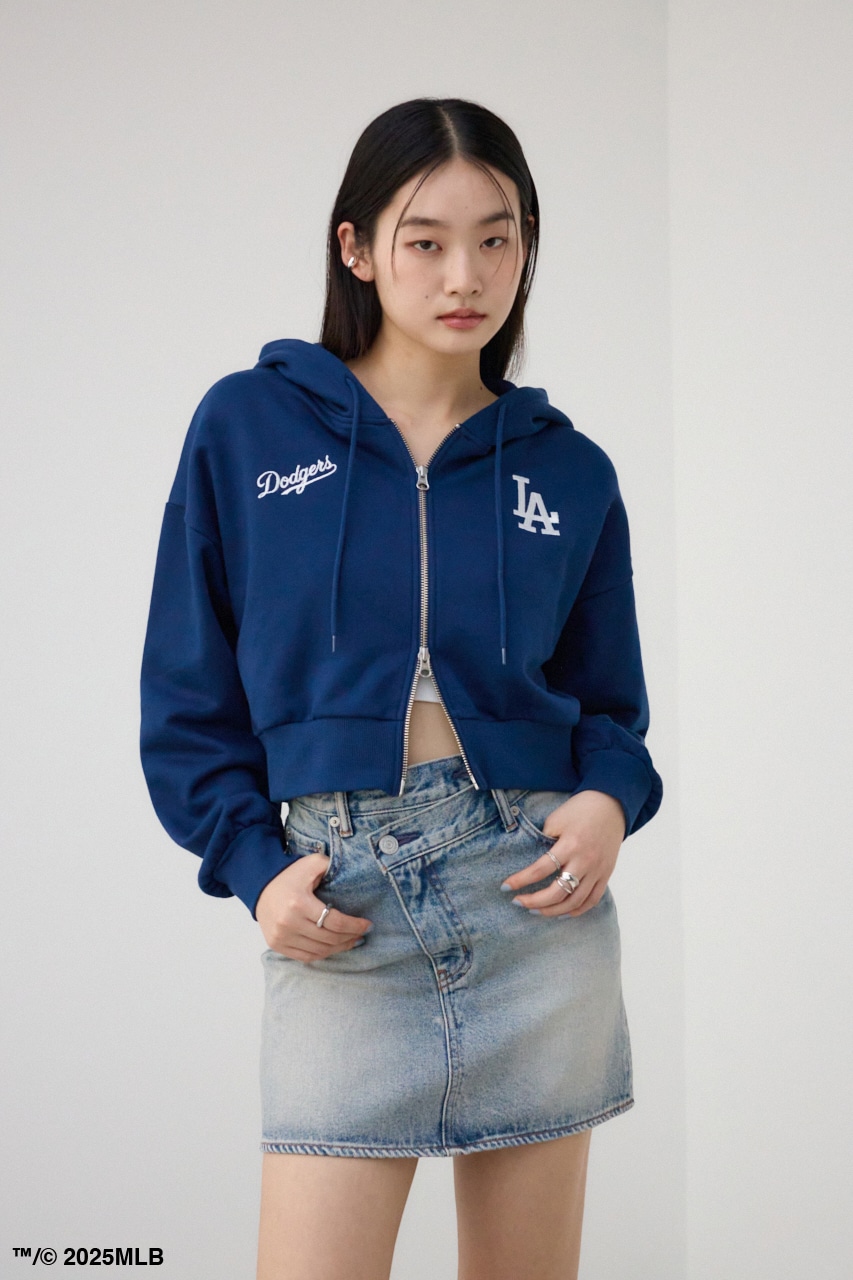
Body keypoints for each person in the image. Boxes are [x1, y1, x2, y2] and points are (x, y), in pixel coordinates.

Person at [140, 97, 663, 1280]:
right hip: (342, 905)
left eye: (497, 237)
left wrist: (606, 802)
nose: (465, 274)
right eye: (425, 239)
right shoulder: (246, 425)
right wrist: (252, 867)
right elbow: (185, 689)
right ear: (357, 247)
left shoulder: (568, 469)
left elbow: (610, 709)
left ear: (526, 247)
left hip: (535, 899)